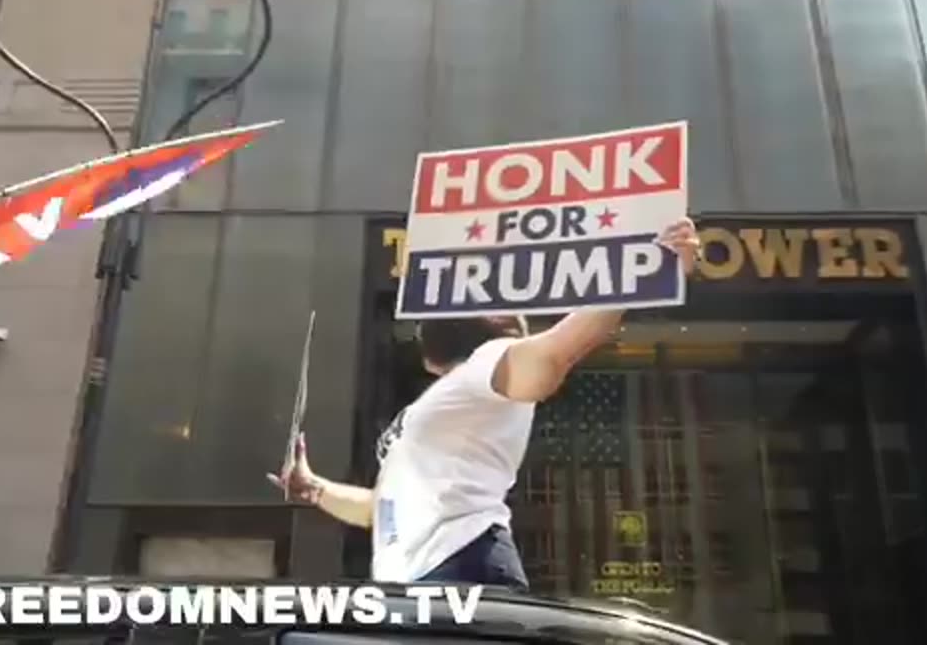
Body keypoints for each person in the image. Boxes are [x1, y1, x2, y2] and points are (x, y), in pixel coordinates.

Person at [269, 216, 701, 589]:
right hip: (416, 582)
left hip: (460, 569)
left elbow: (553, 354)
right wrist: (316, 489)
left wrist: (647, 276)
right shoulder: (449, 401)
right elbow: (380, 509)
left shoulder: (488, 362)